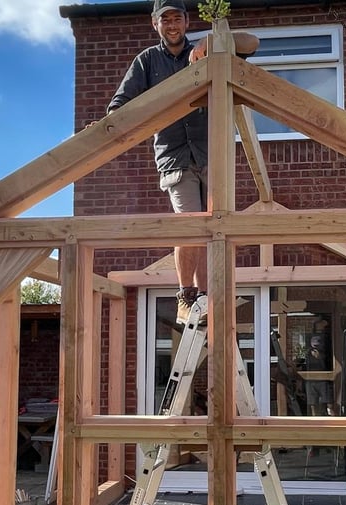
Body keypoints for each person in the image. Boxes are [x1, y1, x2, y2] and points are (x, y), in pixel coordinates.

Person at [106, 0, 258, 325]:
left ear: (187, 22)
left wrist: (212, 42)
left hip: (211, 152)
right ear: (155, 24)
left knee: (213, 228)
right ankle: (185, 296)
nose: (172, 25)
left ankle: (206, 296)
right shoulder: (147, 61)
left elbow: (251, 43)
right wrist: (108, 126)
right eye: (166, 20)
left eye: (177, 19)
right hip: (174, 156)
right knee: (189, 225)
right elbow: (120, 104)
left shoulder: (206, 51)